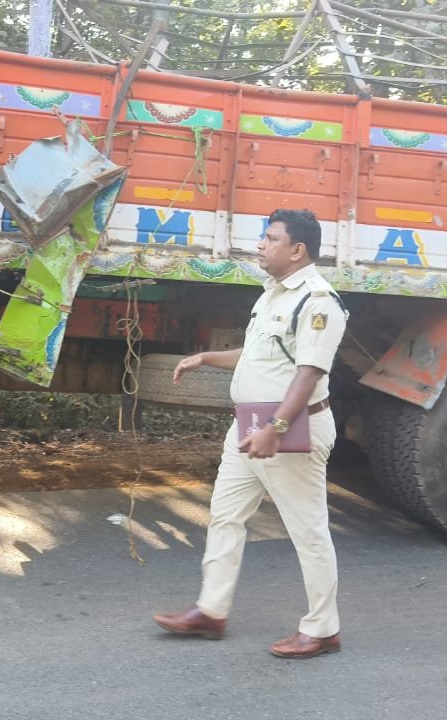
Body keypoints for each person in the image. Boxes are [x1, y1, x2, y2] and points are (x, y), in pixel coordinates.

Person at [152, 208, 348, 659]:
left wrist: (276, 428)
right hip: (252, 425)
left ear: (297, 250)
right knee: (225, 514)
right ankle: (211, 611)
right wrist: (205, 358)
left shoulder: (318, 301)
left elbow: (309, 371)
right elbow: (260, 354)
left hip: (288, 429)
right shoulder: (273, 296)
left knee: (309, 530)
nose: (261, 244)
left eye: (270, 238)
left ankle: (323, 628)